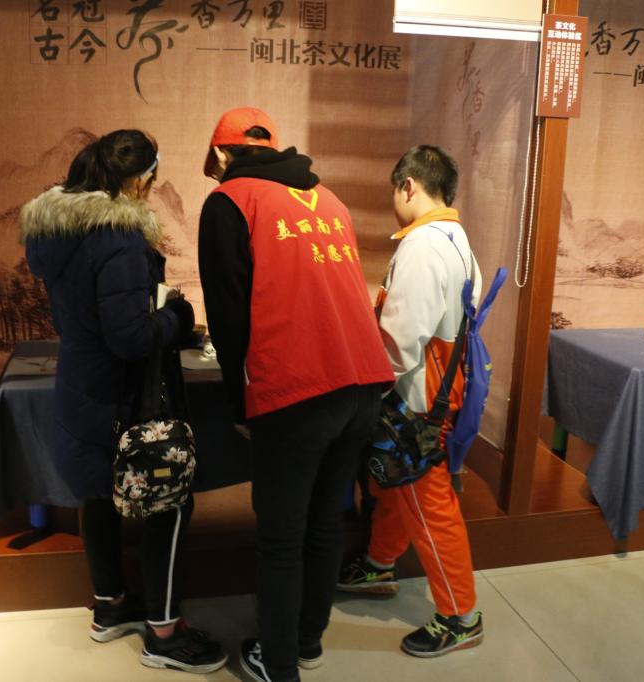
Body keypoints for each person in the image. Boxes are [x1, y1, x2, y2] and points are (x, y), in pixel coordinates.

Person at [198, 107, 395, 682]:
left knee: (281, 537)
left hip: (296, 390)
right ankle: (307, 641)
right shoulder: (328, 199)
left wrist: (240, 402)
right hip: (362, 382)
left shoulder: (229, 202)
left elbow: (228, 317)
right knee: (324, 522)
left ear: (222, 154)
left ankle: (279, 665)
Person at [21, 129, 227, 675]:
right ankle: (165, 634)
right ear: (138, 181)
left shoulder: (57, 231)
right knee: (169, 501)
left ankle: (110, 605)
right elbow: (131, 337)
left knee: (97, 495)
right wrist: (177, 317)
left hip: (81, 386)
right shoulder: (117, 237)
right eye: (152, 181)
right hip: (126, 397)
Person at [336, 145, 484, 658]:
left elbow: (400, 343)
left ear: (408, 186)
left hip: (417, 399)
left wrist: (366, 388)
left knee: (430, 505)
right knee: (400, 485)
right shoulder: (458, 239)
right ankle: (380, 564)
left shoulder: (422, 246)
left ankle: (461, 616)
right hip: (441, 389)